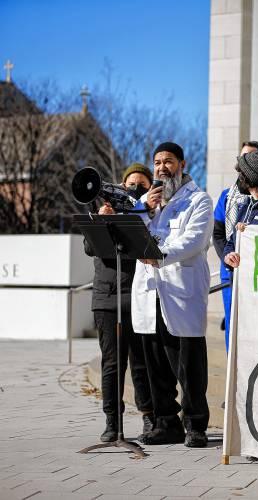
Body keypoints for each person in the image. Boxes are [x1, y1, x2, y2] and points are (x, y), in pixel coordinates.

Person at [131, 142, 213, 448]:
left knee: (188, 366)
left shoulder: (199, 200)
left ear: (182, 164)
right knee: (156, 366)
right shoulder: (145, 202)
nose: (161, 167)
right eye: (156, 162)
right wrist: (144, 210)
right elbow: (129, 235)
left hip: (181, 293)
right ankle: (166, 423)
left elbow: (194, 240)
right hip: (150, 292)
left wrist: (159, 254)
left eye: (168, 162)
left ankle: (195, 425)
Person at [84, 163, 154, 443]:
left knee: (141, 364)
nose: (135, 188)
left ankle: (148, 416)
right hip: (107, 297)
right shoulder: (103, 210)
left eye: (142, 185)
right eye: (130, 184)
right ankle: (112, 420)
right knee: (112, 363)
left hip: (139, 296)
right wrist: (102, 221)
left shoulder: (149, 215)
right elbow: (92, 248)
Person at [212, 140, 258, 351]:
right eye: (241, 157)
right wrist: (228, 257)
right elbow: (217, 233)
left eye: (250, 158)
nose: (243, 162)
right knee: (233, 333)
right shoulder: (227, 196)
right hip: (230, 273)